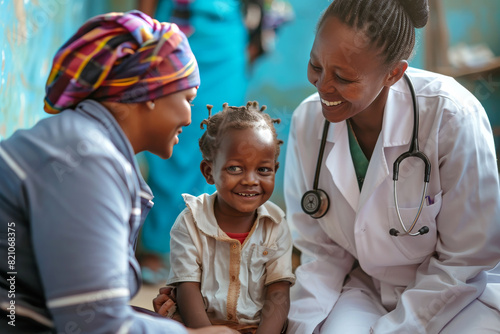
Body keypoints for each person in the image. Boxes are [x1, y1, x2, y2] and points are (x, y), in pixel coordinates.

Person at [0, 10, 238, 334]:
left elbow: (81, 306)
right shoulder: (85, 161)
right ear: (152, 94)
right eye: (188, 99)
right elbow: (95, 325)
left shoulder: (85, 145)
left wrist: (150, 322)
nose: (190, 118)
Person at [284, 0, 500, 333]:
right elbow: (320, 253)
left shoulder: (452, 116)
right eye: (316, 66)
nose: (323, 86)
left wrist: (396, 329)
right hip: (367, 288)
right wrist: (302, 326)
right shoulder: (307, 121)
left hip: (457, 294)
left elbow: (466, 259)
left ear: (393, 73)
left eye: (342, 77)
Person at [135, 0, 250, 284]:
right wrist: (145, 33)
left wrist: (253, 45)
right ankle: (155, 245)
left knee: (219, 140)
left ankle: (202, 249)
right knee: (169, 136)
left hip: (226, 41)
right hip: (173, 31)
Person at [155, 102, 295, 334]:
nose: (251, 180)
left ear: (275, 169)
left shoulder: (276, 225)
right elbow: (187, 287)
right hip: (199, 327)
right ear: (209, 172)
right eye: (235, 168)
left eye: (263, 170)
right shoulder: (190, 222)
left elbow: (278, 293)